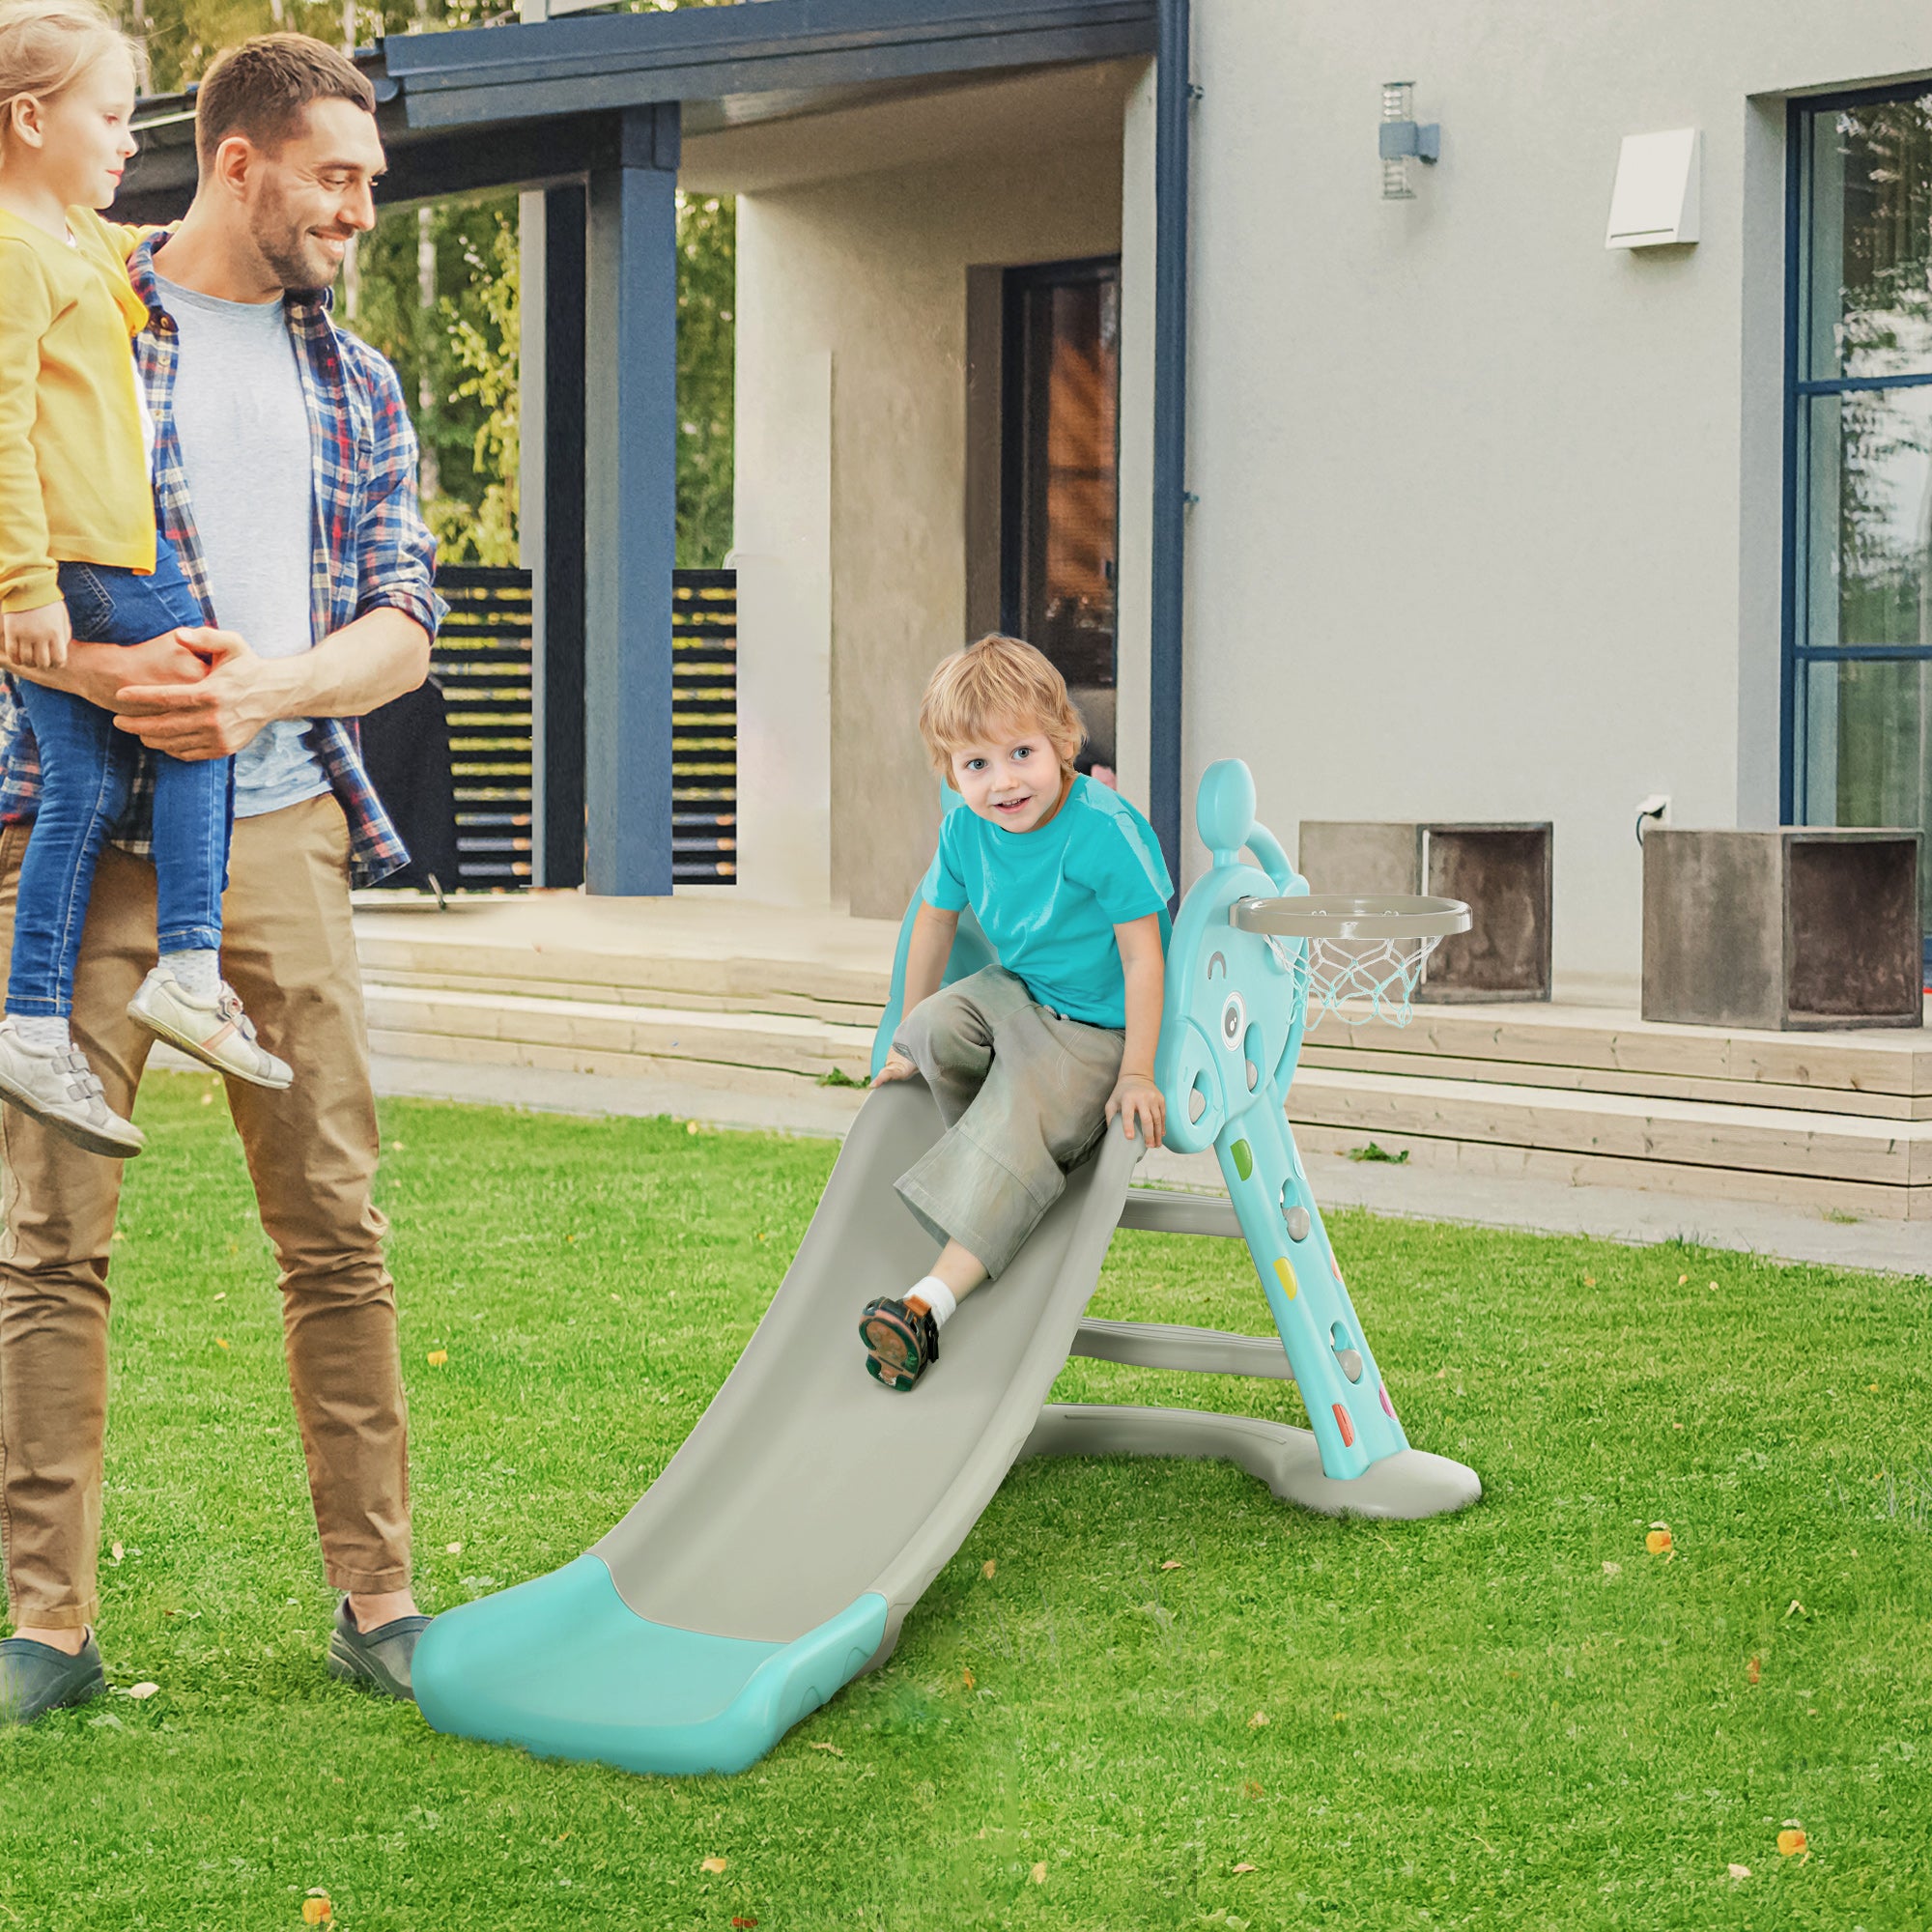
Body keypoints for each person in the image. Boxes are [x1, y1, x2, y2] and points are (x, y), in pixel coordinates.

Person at [0, 30, 443, 1724]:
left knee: (334, 1226)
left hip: (280, 830)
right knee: (49, 1241)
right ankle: (47, 1627)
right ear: (239, 162)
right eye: (339, 178)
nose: (362, 211)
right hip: (71, 828)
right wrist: (126, 684)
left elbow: (404, 629)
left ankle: (380, 1596)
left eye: (374, 184)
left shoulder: (365, 387)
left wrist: (256, 689)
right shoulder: (62, 291)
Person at [0, 2, 290, 1163]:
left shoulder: (66, 232)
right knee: (204, 705)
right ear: (27, 117)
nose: (129, 137)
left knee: (77, 777)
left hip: (82, 558)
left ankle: (27, 1023)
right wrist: (24, 585)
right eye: (110, 114)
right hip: (91, 557)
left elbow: (137, 250)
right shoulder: (14, 257)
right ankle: (188, 962)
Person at [859, 635, 1171, 1391]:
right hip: (1020, 994)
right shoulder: (966, 829)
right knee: (935, 1029)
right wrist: (905, 1035)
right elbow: (933, 922)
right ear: (950, 773)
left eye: (1021, 753)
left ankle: (927, 1306)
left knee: (1016, 1118)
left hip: (1095, 1029)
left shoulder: (1102, 832)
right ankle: (1016, 1134)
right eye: (977, 765)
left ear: (1063, 742)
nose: (1003, 782)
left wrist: (1137, 1071)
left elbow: (1144, 957)